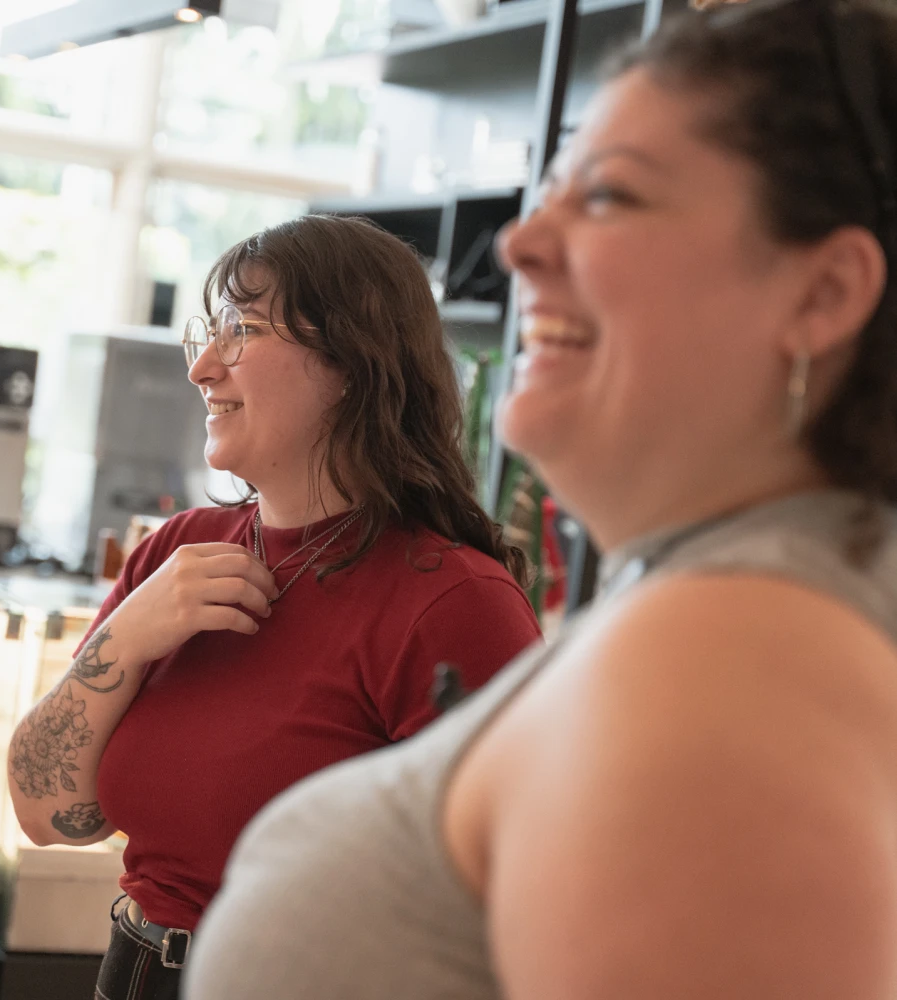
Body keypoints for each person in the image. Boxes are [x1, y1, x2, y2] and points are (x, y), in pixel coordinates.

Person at [184, 2, 897, 998]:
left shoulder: (739, 655)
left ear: (822, 295)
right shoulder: (746, 603)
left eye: (608, 195)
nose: (519, 242)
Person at [5, 214, 542, 999]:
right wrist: (129, 634)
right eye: (210, 333)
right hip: (131, 972)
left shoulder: (455, 603)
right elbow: (48, 813)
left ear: (355, 363)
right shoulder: (177, 551)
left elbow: (498, 909)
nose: (203, 369)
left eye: (243, 330)